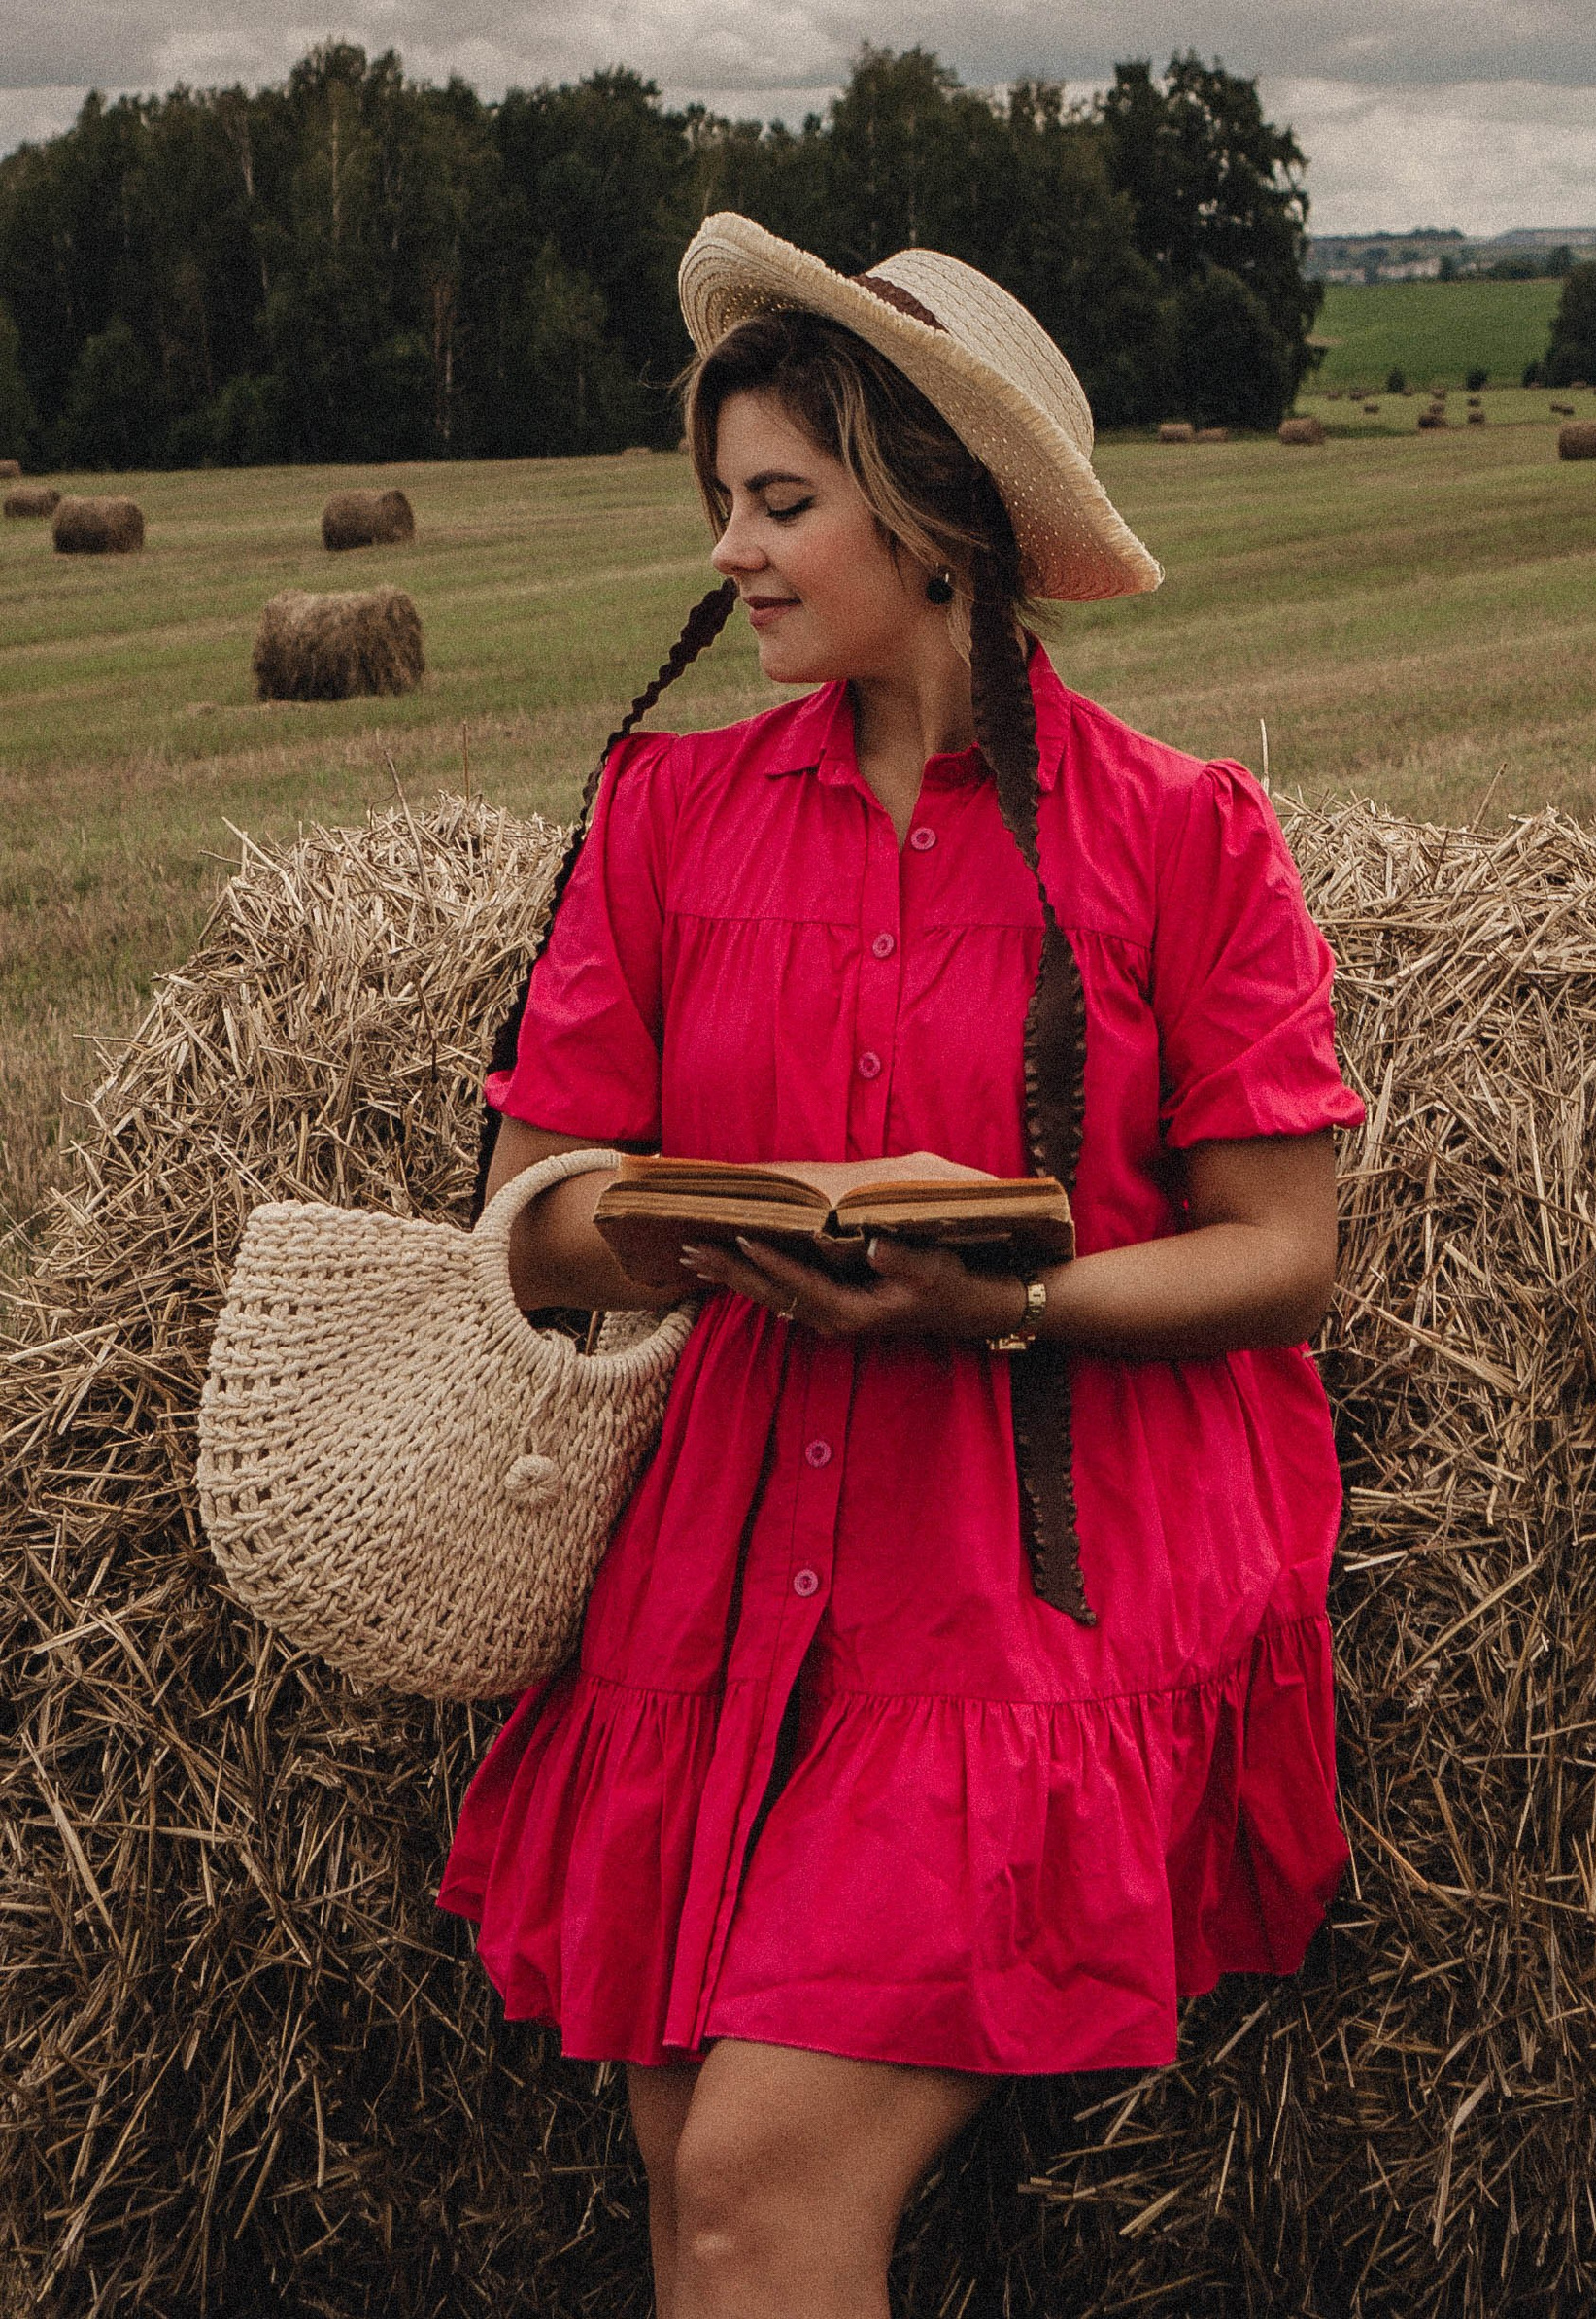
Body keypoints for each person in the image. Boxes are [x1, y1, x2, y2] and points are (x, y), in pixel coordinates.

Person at [440, 216, 1361, 2319]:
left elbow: (1281, 1251)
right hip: (736, 1548)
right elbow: (535, 1211)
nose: (736, 556)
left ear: (933, 510)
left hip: (1036, 1567)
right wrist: (723, 1218)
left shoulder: (1176, 834)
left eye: (782, 504)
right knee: (698, 2188)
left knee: (759, 2181)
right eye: (723, 509)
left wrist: (998, 1297)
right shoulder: (668, 816)